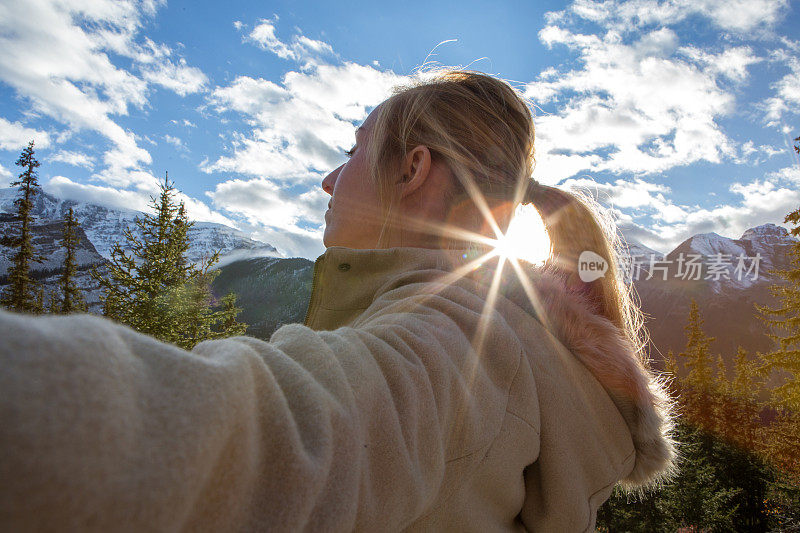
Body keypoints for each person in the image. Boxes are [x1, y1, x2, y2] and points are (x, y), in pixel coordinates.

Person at [0, 69, 676, 532]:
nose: (329, 180)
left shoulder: (456, 345)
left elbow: (278, 438)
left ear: (413, 169)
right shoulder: (510, 340)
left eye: (352, 152)